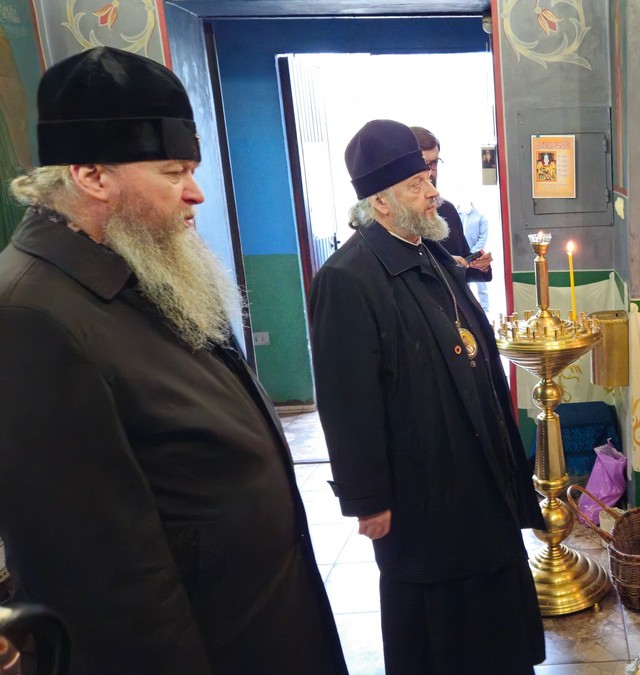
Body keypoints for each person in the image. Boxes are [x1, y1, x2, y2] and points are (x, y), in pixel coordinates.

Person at [0, 47, 346, 674]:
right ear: (91, 175)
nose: (196, 192)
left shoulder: (147, 267)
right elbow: (95, 583)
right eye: (172, 171)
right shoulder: (30, 315)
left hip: (263, 627)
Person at [309, 119, 545, 673]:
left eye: (429, 177)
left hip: (477, 477)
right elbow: (346, 402)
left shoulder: (433, 254)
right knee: (441, 632)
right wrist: (368, 499)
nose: (432, 191)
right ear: (381, 202)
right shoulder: (347, 279)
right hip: (424, 493)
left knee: (495, 619)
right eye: (416, 184)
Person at [410, 126, 493, 305]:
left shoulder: (447, 209)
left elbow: (462, 260)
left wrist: (479, 264)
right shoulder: (397, 219)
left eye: (434, 163)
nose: (430, 173)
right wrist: (442, 266)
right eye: (424, 165)